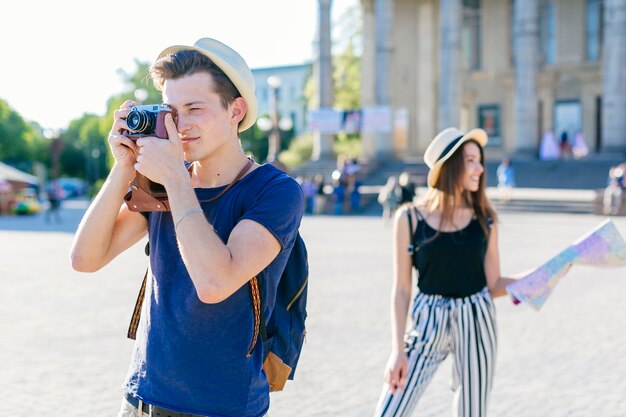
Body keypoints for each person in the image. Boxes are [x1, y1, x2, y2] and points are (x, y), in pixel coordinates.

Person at [70, 38, 304, 417]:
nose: (180, 126)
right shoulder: (159, 182)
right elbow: (85, 259)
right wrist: (124, 166)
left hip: (222, 406)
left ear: (235, 110)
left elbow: (214, 283)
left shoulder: (274, 192)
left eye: (195, 109)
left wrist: (176, 181)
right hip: (141, 397)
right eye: (171, 112)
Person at [373, 127, 517, 417]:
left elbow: (495, 283)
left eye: (480, 161)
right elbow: (402, 289)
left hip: (476, 317)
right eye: (471, 161)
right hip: (427, 320)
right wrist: (397, 349)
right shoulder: (409, 218)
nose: (479, 168)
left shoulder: (485, 220)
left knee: (471, 412)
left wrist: (541, 277)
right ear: (450, 166)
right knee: (389, 412)